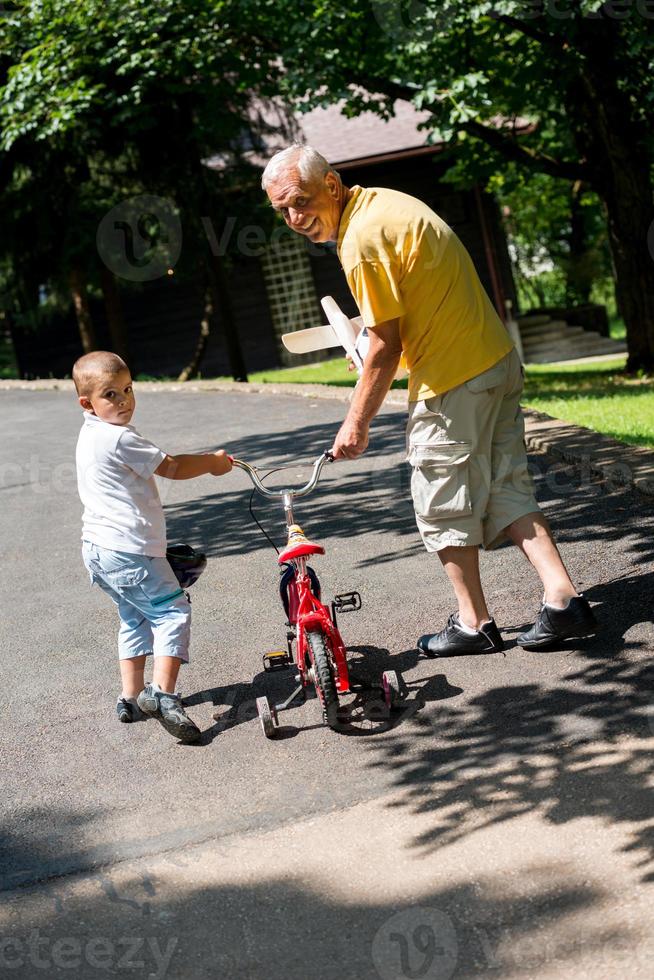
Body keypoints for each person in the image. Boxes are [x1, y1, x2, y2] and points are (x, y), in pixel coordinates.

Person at [261, 144, 597, 654]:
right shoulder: (384, 204)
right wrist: (376, 349)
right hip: (493, 362)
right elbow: (403, 324)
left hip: (454, 381)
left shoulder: (361, 240)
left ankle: (473, 623)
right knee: (506, 485)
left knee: (440, 505)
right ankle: (562, 600)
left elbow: (385, 345)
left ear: (331, 184)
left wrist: (356, 423)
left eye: (300, 201)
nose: (294, 217)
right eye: (281, 210)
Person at [73, 351, 233, 742]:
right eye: (110, 394)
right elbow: (172, 467)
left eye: (128, 389)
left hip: (97, 550)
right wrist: (213, 463)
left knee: (135, 616)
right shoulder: (120, 437)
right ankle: (162, 694)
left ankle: (129, 697)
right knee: (172, 612)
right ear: (87, 403)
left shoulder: (90, 433)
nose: (124, 400)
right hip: (130, 551)